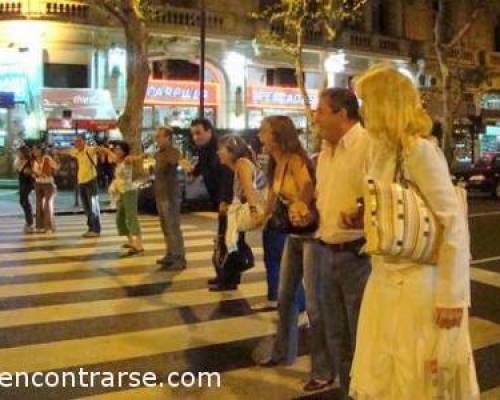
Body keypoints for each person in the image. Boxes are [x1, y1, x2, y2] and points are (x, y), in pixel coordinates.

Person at [348, 66, 479, 399]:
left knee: (418, 380)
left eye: (366, 101)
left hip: (419, 288)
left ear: (384, 104)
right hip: (384, 282)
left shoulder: (419, 151)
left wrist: (452, 296)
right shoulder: (380, 151)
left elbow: (454, 224)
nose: (361, 110)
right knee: (386, 379)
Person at [257, 116, 333, 391]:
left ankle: (324, 370)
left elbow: (307, 186)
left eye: (263, 131)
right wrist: (261, 217)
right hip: (293, 234)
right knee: (285, 294)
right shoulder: (275, 163)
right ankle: (282, 352)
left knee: (315, 304)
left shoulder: (296, 159)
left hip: (311, 235)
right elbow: (273, 196)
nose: (259, 136)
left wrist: (301, 202)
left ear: (277, 135)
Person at [312, 88, 372, 399]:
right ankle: (350, 393)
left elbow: (385, 196)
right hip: (326, 251)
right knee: (335, 335)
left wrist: (362, 213)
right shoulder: (325, 151)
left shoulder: (367, 146)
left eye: (320, 111)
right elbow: (323, 199)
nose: (315, 117)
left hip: (358, 256)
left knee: (362, 335)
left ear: (343, 114)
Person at [210, 135, 264, 292]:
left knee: (231, 242)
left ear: (231, 152)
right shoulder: (238, 165)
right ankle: (227, 276)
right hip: (236, 209)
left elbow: (248, 188)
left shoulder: (242, 163)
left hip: (243, 210)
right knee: (231, 241)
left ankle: (230, 276)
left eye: (221, 149)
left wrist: (253, 210)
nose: (218, 152)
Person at [185, 118, 234, 285]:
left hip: (227, 202)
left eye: (198, 133)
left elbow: (228, 173)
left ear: (209, 131)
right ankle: (223, 274)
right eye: (193, 134)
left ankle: (228, 277)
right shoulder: (205, 149)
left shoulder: (220, 147)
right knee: (223, 238)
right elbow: (204, 165)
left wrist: (225, 200)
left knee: (229, 238)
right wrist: (195, 171)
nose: (195, 137)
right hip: (217, 200)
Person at [101, 141, 144, 256]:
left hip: (129, 192)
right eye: (116, 149)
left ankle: (139, 245)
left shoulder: (127, 159)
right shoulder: (117, 160)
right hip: (120, 192)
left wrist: (141, 156)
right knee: (119, 218)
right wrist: (104, 149)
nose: (116, 150)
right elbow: (109, 153)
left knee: (131, 217)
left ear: (124, 151)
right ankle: (131, 241)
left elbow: (134, 158)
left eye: (119, 149)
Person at [153, 127, 186, 270]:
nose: (157, 139)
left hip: (170, 195)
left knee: (173, 226)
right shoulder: (158, 154)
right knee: (165, 226)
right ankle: (170, 253)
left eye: (160, 136)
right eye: (157, 136)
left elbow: (177, 162)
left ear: (168, 138)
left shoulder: (173, 152)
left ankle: (179, 257)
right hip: (160, 194)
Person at [59, 135, 101, 238]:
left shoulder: (89, 150)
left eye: (79, 141)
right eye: (75, 142)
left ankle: (96, 229)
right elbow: (67, 151)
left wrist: (102, 149)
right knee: (86, 207)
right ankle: (91, 228)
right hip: (81, 182)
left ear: (84, 141)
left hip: (91, 181)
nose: (76, 143)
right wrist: (57, 151)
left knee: (93, 206)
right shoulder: (76, 151)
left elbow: (98, 149)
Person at [32, 144, 59, 234]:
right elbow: (34, 172)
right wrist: (36, 174)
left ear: (41, 150)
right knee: (39, 205)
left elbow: (56, 167)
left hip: (48, 183)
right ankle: (40, 226)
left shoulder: (47, 158)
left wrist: (55, 158)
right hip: (38, 183)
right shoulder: (34, 160)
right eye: (33, 150)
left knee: (47, 205)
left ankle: (49, 227)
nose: (34, 152)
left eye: (36, 150)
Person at [14, 145, 35, 233]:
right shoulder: (20, 161)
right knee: (23, 201)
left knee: (24, 201)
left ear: (24, 153)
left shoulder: (29, 161)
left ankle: (30, 223)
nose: (18, 153)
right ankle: (29, 222)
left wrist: (28, 171)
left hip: (28, 184)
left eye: (19, 152)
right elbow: (18, 169)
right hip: (22, 183)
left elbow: (30, 172)